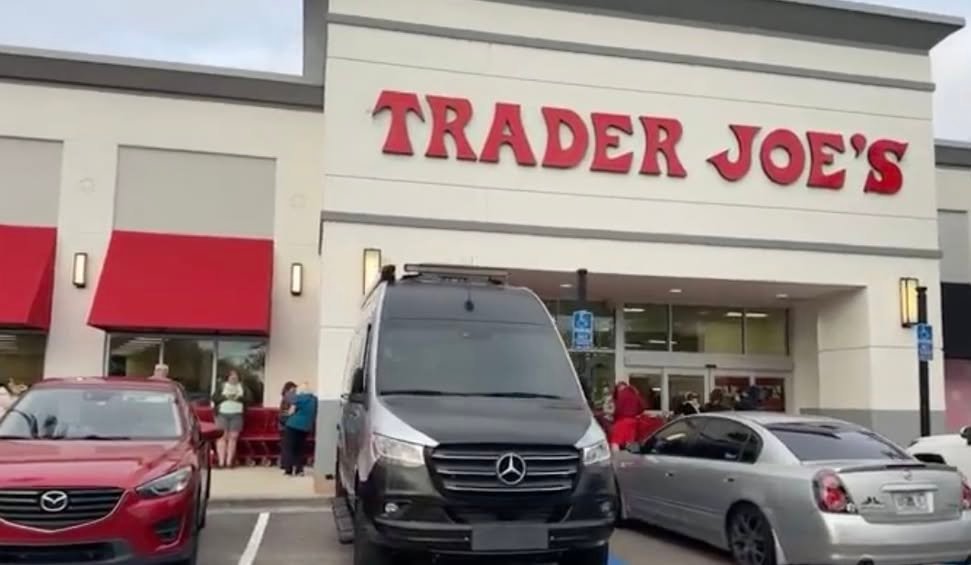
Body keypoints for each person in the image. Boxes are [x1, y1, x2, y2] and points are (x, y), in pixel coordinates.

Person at [212, 370, 248, 467]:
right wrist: (225, 397)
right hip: (222, 413)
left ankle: (229, 462)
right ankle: (221, 461)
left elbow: (249, 399)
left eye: (235, 377)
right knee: (222, 437)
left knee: (233, 437)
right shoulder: (222, 386)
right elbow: (214, 398)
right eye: (232, 377)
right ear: (227, 378)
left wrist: (238, 398)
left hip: (237, 414)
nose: (233, 378)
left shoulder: (242, 387)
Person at [282, 382, 317, 476]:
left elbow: (287, 397)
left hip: (293, 425)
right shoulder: (314, 399)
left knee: (289, 447)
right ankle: (299, 470)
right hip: (306, 427)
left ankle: (288, 470)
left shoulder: (300, 398)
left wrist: (291, 390)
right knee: (300, 449)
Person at [609, 381, 647, 450]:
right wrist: (635, 413)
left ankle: (616, 458)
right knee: (629, 442)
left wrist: (613, 416)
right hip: (633, 421)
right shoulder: (634, 393)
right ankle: (629, 458)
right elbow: (643, 406)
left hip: (622, 421)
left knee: (615, 441)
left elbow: (618, 409)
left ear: (619, 387)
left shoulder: (621, 395)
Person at [278, 381, 298, 469]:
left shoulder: (284, 396)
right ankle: (287, 464)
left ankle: (284, 463)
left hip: (282, 424)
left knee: (285, 445)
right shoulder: (289, 396)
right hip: (287, 423)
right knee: (288, 445)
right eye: (294, 389)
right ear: (290, 388)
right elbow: (296, 403)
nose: (296, 391)